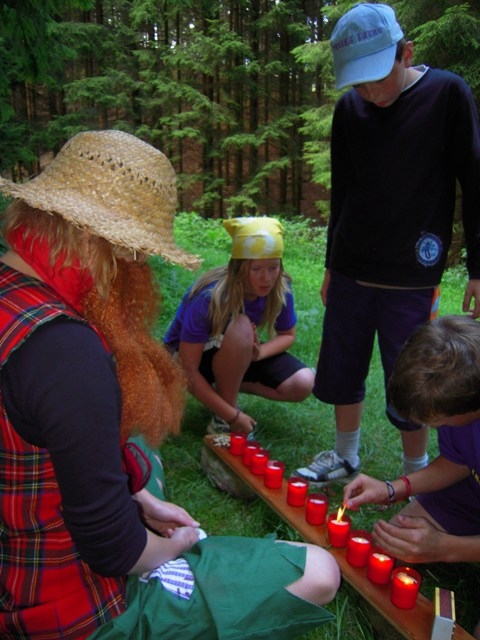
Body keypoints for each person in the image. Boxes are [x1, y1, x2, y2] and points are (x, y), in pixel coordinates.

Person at [0, 130, 340, 639]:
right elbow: (115, 550)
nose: (140, 269)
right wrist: (179, 543)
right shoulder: (66, 352)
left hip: (18, 561)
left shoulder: (14, 297)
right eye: (137, 254)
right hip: (68, 611)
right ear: (101, 244)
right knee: (319, 570)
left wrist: (139, 499)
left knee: (142, 454)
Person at [293, 2, 480, 486]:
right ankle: (345, 455)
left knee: (412, 372)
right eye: (359, 83)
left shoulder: (446, 94)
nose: (371, 93)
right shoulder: (349, 109)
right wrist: (332, 264)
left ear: (406, 53)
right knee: (343, 362)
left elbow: (474, 180)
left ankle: (415, 472)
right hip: (352, 266)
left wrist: (478, 268)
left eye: (378, 77)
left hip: (411, 273)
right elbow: (343, 192)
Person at [343, 314, 480, 640]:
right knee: (393, 542)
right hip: (470, 494)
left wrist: (445, 548)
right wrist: (394, 489)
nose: (432, 428)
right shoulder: (463, 403)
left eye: (438, 422)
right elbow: (459, 460)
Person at [164, 216, 315, 436]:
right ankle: (224, 418)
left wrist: (259, 353)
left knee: (303, 382)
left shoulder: (281, 287)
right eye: (257, 269)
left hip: (234, 350)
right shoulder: (209, 297)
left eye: (273, 268)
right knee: (242, 325)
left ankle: (223, 392)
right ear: (239, 268)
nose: (266, 278)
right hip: (185, 360)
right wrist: (233, 416)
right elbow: (186, 368)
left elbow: (288, 335)